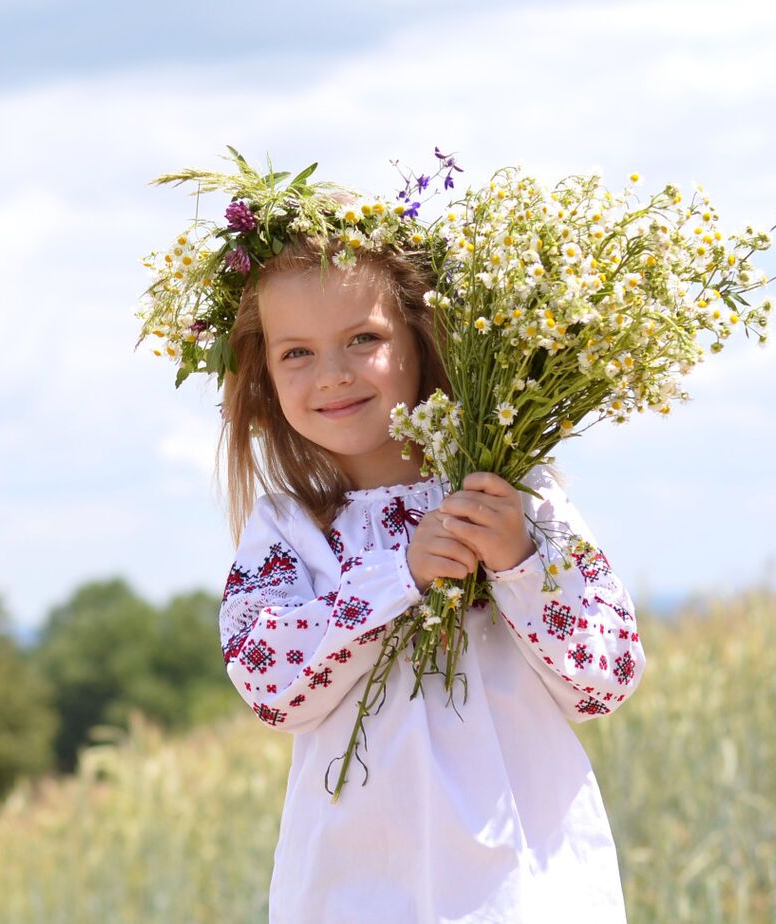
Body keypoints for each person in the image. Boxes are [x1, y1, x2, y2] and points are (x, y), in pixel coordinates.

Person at [213, 235, 647, 922]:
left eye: (363, 338)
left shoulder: (512, 496)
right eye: (296, 351)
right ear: (265, 375)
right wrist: (399, 576)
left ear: (423, 339)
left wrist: (517, 562)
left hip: (524, 878)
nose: (331, 374)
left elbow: (608, 679)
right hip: (359, 885)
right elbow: (270, 689)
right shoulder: (288, 531)